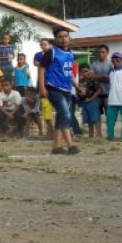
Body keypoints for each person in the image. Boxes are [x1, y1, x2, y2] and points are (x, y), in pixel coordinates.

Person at [38, 27, 79, 155]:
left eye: (66, 36)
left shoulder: (71, 54)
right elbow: (41, 68)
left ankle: (56, 147)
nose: (63, 39)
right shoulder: (52, 52)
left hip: (66, 89)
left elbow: (69, 73)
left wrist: (77, 87)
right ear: (56, 39)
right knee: (66, 114)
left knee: (61, 116)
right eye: (60, 36)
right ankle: (71, 145)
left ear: (69, 38)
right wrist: (42, 87)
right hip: (53, 88)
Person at [78, 68, 102, 140]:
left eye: (87, 71)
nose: (85, 73)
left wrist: (91, 99)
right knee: (89, 120)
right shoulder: (81, 82)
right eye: (83, 72)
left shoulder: (93, 80)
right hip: (84, 101)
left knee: (95, 118)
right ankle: (90, 135)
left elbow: (99, 90)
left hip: (93, 101)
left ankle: (98, 136)